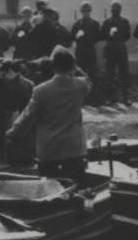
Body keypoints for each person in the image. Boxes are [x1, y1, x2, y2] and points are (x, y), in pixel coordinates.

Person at [8, 46, 91, 181]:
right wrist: (76, 67)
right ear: (71, 66)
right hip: (74, 147)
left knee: (49, 190)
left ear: (52, 66)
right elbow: (87, 80)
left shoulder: (41, 91)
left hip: (49, 148)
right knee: (76, 188)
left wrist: (14, 134)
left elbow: (28, 116)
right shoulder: (81, 85)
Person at [100, 1, 132, 105]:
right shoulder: (107, 22)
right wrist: (109, 34)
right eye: (114, 10)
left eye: (117, 10)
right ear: (111, 11)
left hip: (121, 47)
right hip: (110, 48)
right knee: (110, 74)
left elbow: (128, 36)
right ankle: (110, 98)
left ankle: (126, 97)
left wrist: (118, 35)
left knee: (124, 73)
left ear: (120, 11)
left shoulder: (124, 21)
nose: (115, 12)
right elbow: (102, 35)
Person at [69, 1, 101, 103]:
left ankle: (94, 99)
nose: (86, 13)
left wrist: (88, 37)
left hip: (90, 49)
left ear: (90, 11)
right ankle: (81, 99)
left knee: (93, 75)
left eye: (88, 11)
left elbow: (98, 37)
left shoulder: (95, 24)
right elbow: (71, 38)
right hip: (80, 50)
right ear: (81, 12)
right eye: (84, 11)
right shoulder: (77, 24)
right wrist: (77, 36)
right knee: (79, 75)